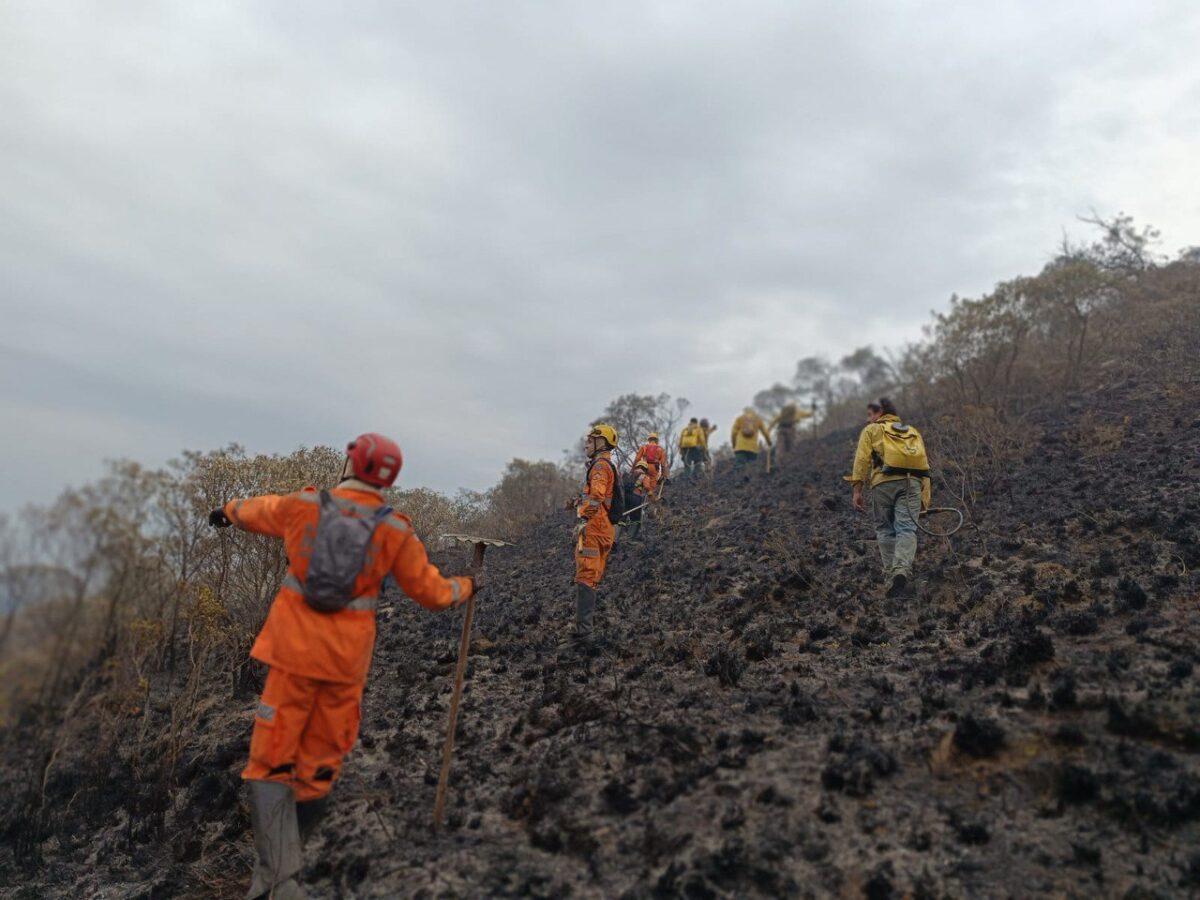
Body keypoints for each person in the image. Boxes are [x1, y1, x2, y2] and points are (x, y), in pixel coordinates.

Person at [208, 433, 478, 900]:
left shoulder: (305, 505)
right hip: (343, 665)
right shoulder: (394, 529)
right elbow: (432, 593)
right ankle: (286, 874)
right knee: (318, 766)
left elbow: (256, 510)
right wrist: (467, 587)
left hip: (291, 654)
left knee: (270, 762)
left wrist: (226, 511)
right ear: (389, 479)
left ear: (349, 463)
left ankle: (275, 876)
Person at [848, 397, 932, 598]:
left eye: (871, 415)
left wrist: (857, 490)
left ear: (881, 412)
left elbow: (862, 460)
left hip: (882, 484)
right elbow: (925, 467)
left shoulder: (871, 431)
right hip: (912, 483)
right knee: (906, 528)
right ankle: (901, 570)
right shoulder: (912, 432)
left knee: (885, 530)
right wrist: (924, 501)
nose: (869, 420)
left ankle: (889, 579)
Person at [573, 423, 619, 644]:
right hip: (604, 527)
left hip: (595, 526)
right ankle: (584, 631)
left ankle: (584, 634)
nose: (586, 444)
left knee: (586, 575)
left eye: (591, 441)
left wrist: (583, 517)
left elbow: (597, 496)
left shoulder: (600, 466)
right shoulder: (604, 465)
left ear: (601, 443)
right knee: (591, 577)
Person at [621, 460, 656, 541]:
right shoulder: (644, 476)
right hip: (635, 498)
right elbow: (647, 487)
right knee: (636, 520)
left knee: (621, 519)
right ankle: (629, 539)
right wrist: (651, 497)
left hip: (625, 498)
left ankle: (614, 541)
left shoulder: (630, 475)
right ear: (645, 468)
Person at [678, 418, 705, 482]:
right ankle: (695, 477)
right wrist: (704, 448)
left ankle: (687, 478)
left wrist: (680, 450)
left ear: (690, 422)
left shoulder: (684, 429)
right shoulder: (698, 429)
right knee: (698, 462)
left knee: (687, 464)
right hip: (694, 448)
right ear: (696, 422)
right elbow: (702, 439)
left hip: (685, 448)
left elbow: (680, 441)